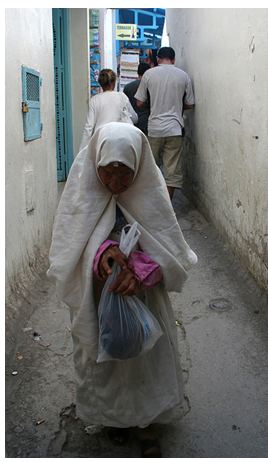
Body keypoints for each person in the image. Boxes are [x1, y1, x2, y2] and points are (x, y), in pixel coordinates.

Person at [47, 122, 197, 457]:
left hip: (141, 294)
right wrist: (101, 252)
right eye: (107, 173)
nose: (115, 184)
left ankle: (144, 422)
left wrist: (142, 268)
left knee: (144, 354)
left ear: (139, 166)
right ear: (95, 165)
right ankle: (113, 418)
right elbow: (68, 248)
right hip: (97, 293)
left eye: (125, 174)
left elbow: (168, 250)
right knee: (105, 356)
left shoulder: (149, 193)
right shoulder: (81, 191)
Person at [135, 47, 195, 200]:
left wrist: (153, 105)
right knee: (172, 170)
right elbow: (190, 104)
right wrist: (176, 106)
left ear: (158, 59)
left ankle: (154, 204)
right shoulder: (183, 76)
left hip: (154, 129)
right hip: (175, 129)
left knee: (151, 168)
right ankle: (168, 206)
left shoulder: (148, 74)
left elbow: (140, 102)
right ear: (173, 60)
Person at [79, 69, 138, 151]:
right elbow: (134, 118)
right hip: (120, 142)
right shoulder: (122, 97)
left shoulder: (95, 100)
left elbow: (89, 127)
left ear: (100, 83)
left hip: (101, 143)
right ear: (114, 81)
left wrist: (82, 151)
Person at [123, 63, 151, 135]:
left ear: (137, 72)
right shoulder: (150, 87)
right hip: (146, 122)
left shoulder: (128, 87)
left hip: (132, 122)